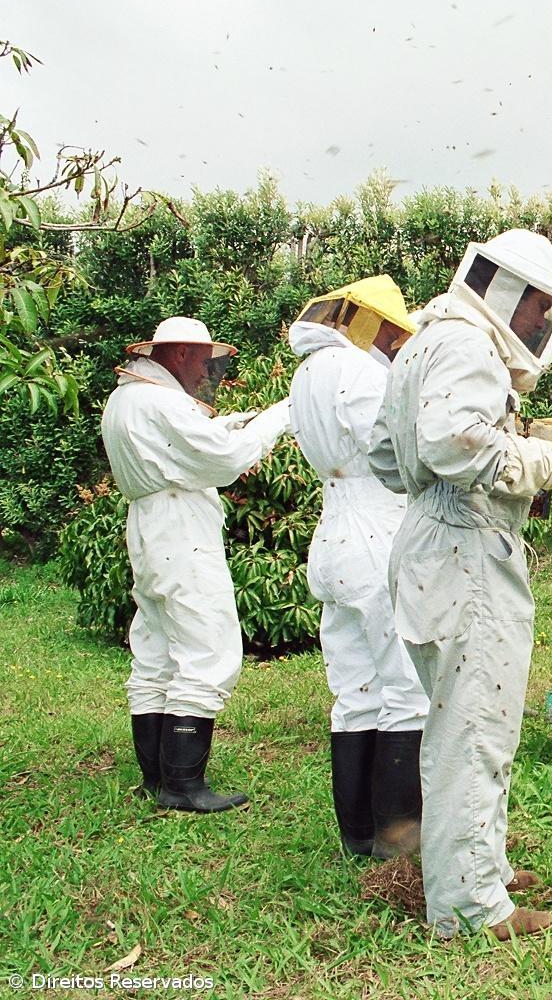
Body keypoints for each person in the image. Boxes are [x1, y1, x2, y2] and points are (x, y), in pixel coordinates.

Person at [368, 230, 552, 940]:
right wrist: (541, 460)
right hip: (464, 550)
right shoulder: (467, 345)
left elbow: (385, 453)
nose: (539, 324)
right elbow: (450, 443)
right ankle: (469, 908)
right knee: (472, 730)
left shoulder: (424, 342)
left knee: (476, 718)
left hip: (433, 542)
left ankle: (482, 867)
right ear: (505, 290)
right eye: (537, 308)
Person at [101, 316, 291, 813]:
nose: (209, 370)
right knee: (207, 646)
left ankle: (156, 776)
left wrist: (232, 421)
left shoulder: (128, 397)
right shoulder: (159, 401)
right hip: (179, 524)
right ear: (181, 353)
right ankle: (184, 786)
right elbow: (222, 461)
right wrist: (277, 418)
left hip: (148, 522)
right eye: (205, 360)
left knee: (158, 648)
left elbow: (184, 441)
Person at [288, 275, 429, 859]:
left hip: (332, 536)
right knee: (407, 688)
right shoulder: (362, 374)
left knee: (354, 690)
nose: (398, 343)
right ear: (367, 322)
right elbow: (400, 449)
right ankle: (401, 844)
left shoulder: (307, 375)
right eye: (392, 330)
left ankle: (358, 836)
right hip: (377, 532)